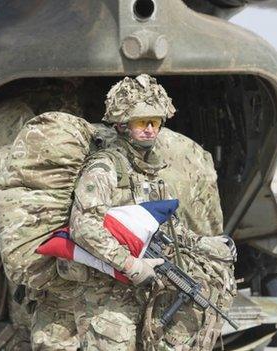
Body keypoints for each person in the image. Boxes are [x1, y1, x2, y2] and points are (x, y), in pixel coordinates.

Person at [66, 74, 227, 350]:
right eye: (142, 122)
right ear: (122, 125)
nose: (150, 129)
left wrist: (204, 244)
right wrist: (129, 263)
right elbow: (83, 226)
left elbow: (162, 231)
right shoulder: (105, 168)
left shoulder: (151, 171)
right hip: (107, 296)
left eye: (155, 122)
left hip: (144, 292)